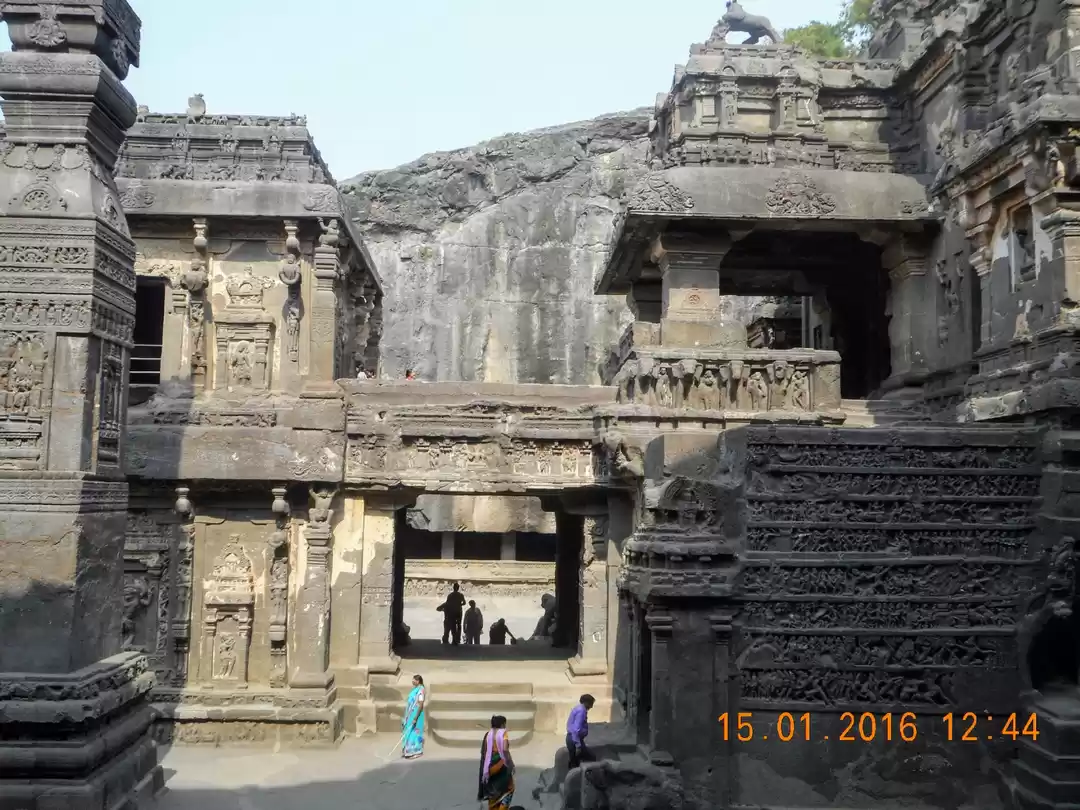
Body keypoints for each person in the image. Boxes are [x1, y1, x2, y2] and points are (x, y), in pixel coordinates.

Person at [477, 715, 515, 809]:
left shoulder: (487, 735)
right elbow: (505, 750)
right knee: (509, 789)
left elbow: (484, 754)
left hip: (490, 769)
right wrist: (510, 763)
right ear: (502, 724)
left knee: (493, 793)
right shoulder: (503, 734)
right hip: (502, 767)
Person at [566, 694, 596, 770]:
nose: (591, 707)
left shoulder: (578, 708)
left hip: (572, 738)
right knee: (591, 757)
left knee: (574, 761)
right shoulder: (581, 711)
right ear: (586, 702)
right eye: (591, 704)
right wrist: (578, 745)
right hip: (574, 739)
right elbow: (576, 729)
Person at [401, 674, 426, 759]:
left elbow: (420, 704)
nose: (412, 681)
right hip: (410, 714)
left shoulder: (421, 690)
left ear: (418, 681)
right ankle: (407, 750)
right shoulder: (415, 689)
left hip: (416, 715)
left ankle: (417, 751)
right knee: (409, 731)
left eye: (414, 680)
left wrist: (415, 717)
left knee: (414, 732)